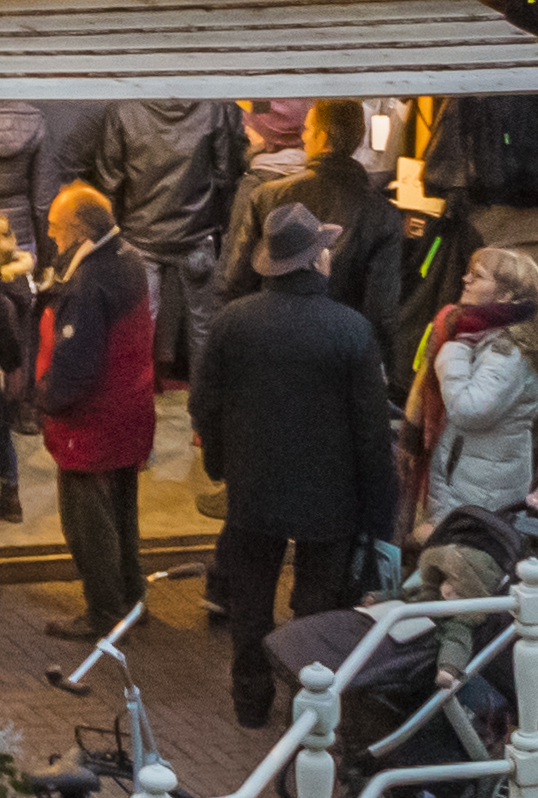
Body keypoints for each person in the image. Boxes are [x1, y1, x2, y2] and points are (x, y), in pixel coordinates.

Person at [194, 192, 401, 725]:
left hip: (253, 487)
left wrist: (221, 465)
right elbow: (371, 432)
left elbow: (204, 404)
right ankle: (303, 708)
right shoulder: (350, 329)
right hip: (330, 496)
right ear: (316, 260)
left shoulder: (232, 322)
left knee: (250, 598)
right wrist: (380, 512)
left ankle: (249, 700)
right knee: (316, 603)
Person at [25, 181, 163, 638]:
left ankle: (104, 612)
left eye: (56, 228)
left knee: (89, 525)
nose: (51, 236)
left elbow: (76, 365)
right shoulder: (129, 260)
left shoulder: (88, 282)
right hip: (129, 412)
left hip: (90, 424)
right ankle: (130, 600)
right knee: (123, 513)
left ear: (80, 229)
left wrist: (43, 399)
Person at [415, 249, 538, 534]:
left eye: (478, 275)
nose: (465, 279)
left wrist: (452, 352)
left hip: (481, 496)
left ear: (506, 295)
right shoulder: (483, 334)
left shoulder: (509, 348)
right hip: (469, 486)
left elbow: (471, 410)